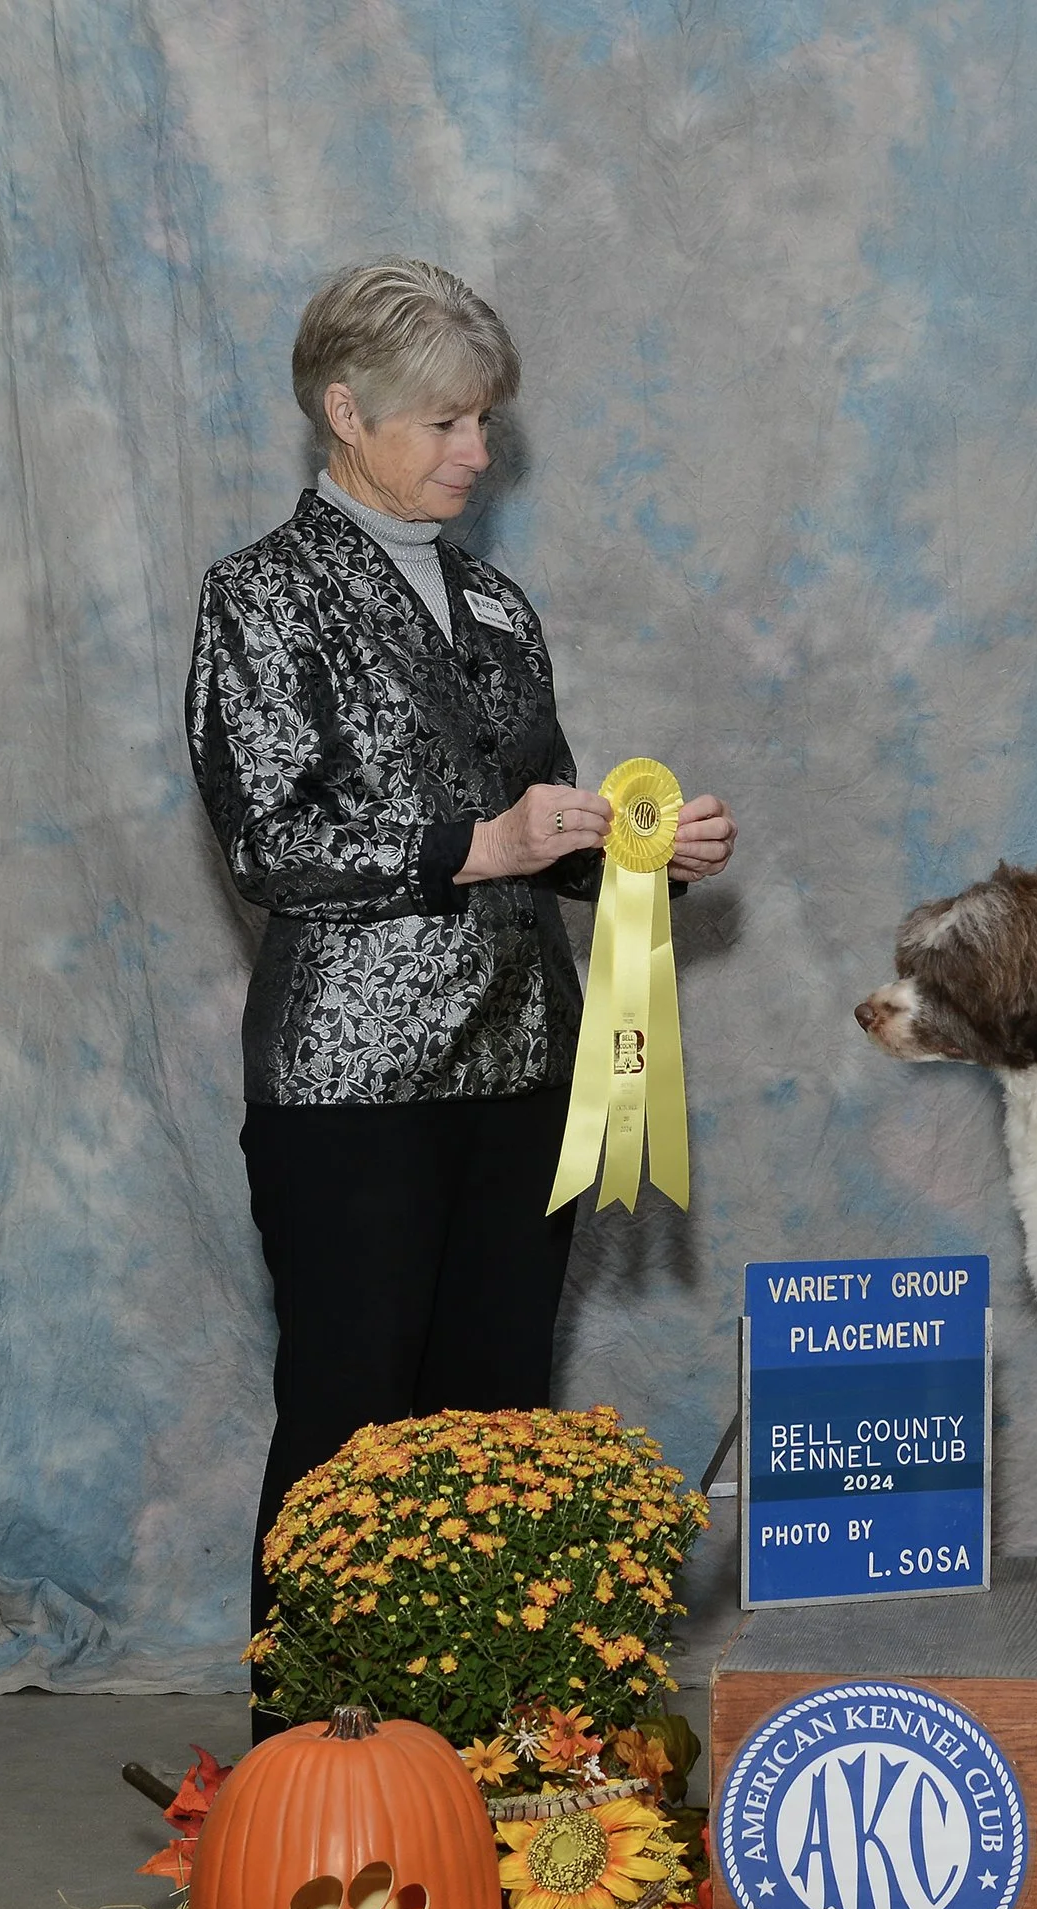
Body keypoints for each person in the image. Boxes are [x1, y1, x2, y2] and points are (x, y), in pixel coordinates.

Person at [185, 261, 737, 1696]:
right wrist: (475, 842)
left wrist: (628, 851)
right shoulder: (259, 595)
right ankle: (313, 1757)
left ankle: (486, 1746)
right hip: (350, 1085)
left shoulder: (498, 601)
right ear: (345, 409)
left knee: (497, 1432)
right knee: (347, 1426)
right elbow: (271, 843)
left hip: (527, 1067)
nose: (476, 454)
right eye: (443, 423)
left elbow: (536, 824)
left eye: (483, 421)